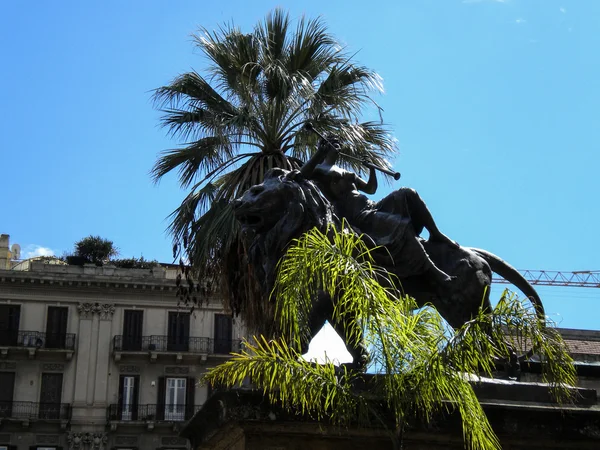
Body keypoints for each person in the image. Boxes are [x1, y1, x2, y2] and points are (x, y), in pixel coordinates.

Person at [300, 136, 457, 286]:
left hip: (371, 206)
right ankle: (431, 269)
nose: (337, 145)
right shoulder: (319, 170)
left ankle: (435, 233)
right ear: (325, 145)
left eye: (339, 142)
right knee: (399, 224)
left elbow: (370, 188)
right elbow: (302, 174)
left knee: (408, 193)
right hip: (357, 216)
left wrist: (372, 170)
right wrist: (319, 153)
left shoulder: (342, 169)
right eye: (333, 142)